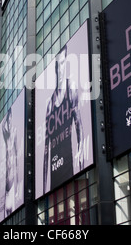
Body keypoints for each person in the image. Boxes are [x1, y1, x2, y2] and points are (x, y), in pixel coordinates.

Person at [43, 45, 85, 195]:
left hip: (68, 168)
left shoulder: (71, 87)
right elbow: (46, 152)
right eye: (57, 65)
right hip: (54, 173)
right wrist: (43, 190)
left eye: (62, 64)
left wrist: (81, 151)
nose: (59, 70)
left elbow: (79, 124)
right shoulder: (49, 103)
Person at [1, 108, 19, 217]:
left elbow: (16, 156)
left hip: (11, 178)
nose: (9, 120)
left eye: (11, 118)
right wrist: (7, 115)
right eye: (9, 118)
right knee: (7, 209)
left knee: (11, 208)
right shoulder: (6, 134)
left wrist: (16, 189)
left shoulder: (14, 132)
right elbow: (3, 126)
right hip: (7, 179)